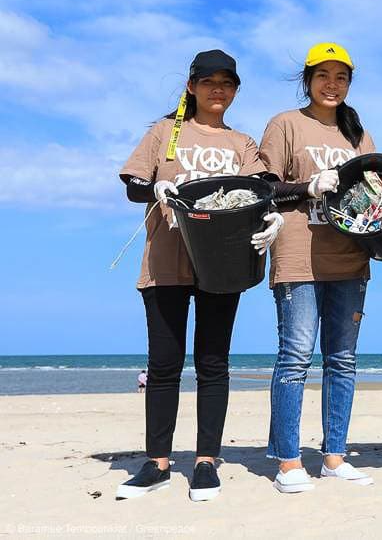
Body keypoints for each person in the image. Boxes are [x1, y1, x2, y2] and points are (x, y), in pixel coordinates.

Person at [116, 50, 284, 502]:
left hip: (222, 266)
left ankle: (206, 461)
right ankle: (157, 462)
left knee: (213, 364)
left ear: (235, 91)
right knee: (164, 365)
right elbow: (133, 184)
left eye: (227, 83)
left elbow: (261, 190)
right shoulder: (165, 132)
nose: (218, 90)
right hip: (166, 263)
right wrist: (155, 187)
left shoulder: (242, 143)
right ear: (191, 86)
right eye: (208, 82)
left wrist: (272, 217)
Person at [260, 42, 382, 494]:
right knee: (295, 357)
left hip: (351, 258)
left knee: (342, 360)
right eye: (323, 75)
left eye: (341, 77)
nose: (331, 85)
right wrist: (308, 187)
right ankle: (288, 462)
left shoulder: (357, 134)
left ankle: (334, 457)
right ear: (307, 80)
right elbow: (265, 187)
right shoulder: (285, 124)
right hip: (298, 256)